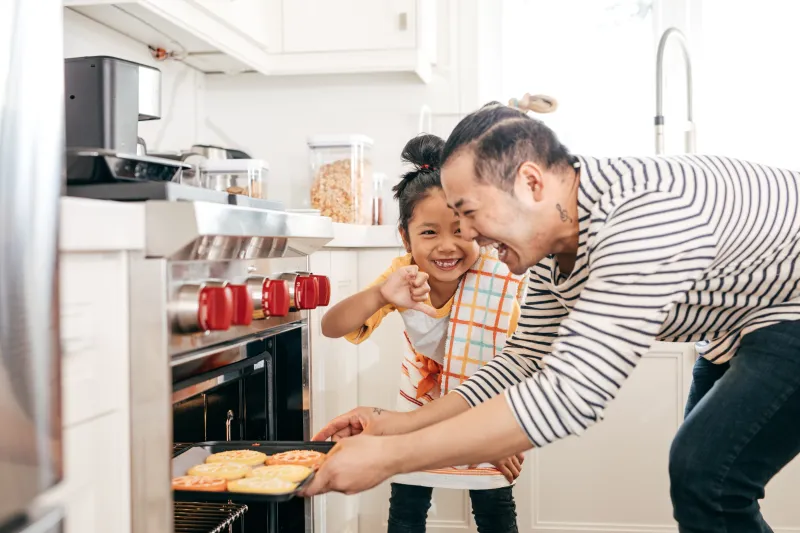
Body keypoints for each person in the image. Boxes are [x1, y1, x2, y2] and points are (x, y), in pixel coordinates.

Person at [304, 102, 800, 533]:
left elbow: (570, 395)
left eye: (470, 212)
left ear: (531, 184)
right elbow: (522, 360)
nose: (470, 235)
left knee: (706, 475)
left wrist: (389, 459)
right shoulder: (551, 245)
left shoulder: (641, 219)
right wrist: (397, 425)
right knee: (708, 483)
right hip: (740, 323)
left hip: (789, 308)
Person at [319, 133, 527, 533]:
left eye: (461, 231)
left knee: (496, 510)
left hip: (489, 416)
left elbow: (519, 361)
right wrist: (381, 294)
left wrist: (504, 433)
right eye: (429, 232)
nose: (447, 246)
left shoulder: (500, 276)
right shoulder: (403, 277)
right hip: (415, 416)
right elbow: (332, 327)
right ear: (405, 238)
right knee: (407, 509)